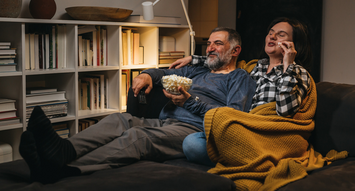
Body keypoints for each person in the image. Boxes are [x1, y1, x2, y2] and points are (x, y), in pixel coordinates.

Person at [19, 27, 256, 183]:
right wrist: (146, 75)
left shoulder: (240, 78)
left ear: (235, 50)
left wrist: (190, 102)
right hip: (166, 121)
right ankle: (63, 151)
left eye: (217, 43)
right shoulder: (197, 69)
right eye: (209, 44)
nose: (210, 48)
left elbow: (232, 117)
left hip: (194, 129)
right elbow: (164, 71)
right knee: (119, 119)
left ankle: (67, 170)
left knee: (138, 136)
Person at [175, 17, 312, 166]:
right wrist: (193, 59)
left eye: (281, 34)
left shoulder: (298, 72)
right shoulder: (256, 67)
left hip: (266, 135)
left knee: (192, 144)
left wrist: (289, 66)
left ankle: (250, 159)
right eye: (270, 33)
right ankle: (243, 157)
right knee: (194, 140)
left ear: (293, 44)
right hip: (243, 130)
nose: (272, 36)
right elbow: (226, 59)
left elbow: (286, 110)